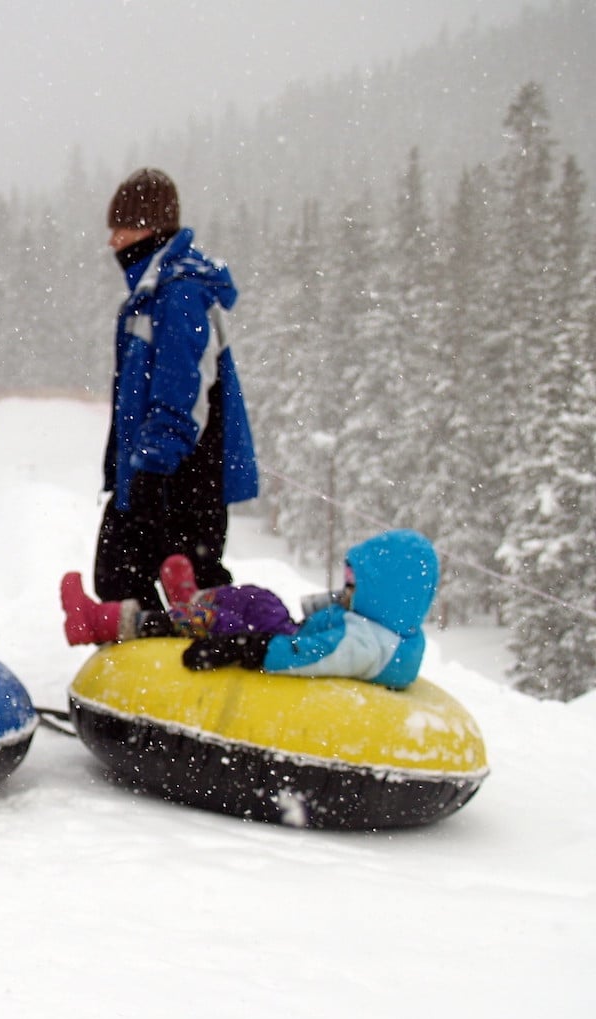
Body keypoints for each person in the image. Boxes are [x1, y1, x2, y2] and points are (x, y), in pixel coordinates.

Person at [93, 167, 258, 614]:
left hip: (182, 477)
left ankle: (207, 664)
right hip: (153, 473)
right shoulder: (152, 294)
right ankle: (148, 671)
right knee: (126, 580)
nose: (113, 242)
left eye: (120, 229)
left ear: (147, 228)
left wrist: (152, 466)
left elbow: (181, 390)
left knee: (179, 587)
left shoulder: (180, 296)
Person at [60, 529, 441, 690]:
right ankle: (190, 600)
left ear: (384, 591)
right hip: (295, 634)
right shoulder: (386, 626)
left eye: (354, 584)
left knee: (219, 623)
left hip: (284, 651)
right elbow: (332, 619)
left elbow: (309, 658)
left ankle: (102, 623)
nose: (346, 590)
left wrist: (246, 648)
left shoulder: (366, 644)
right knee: (260, 599)